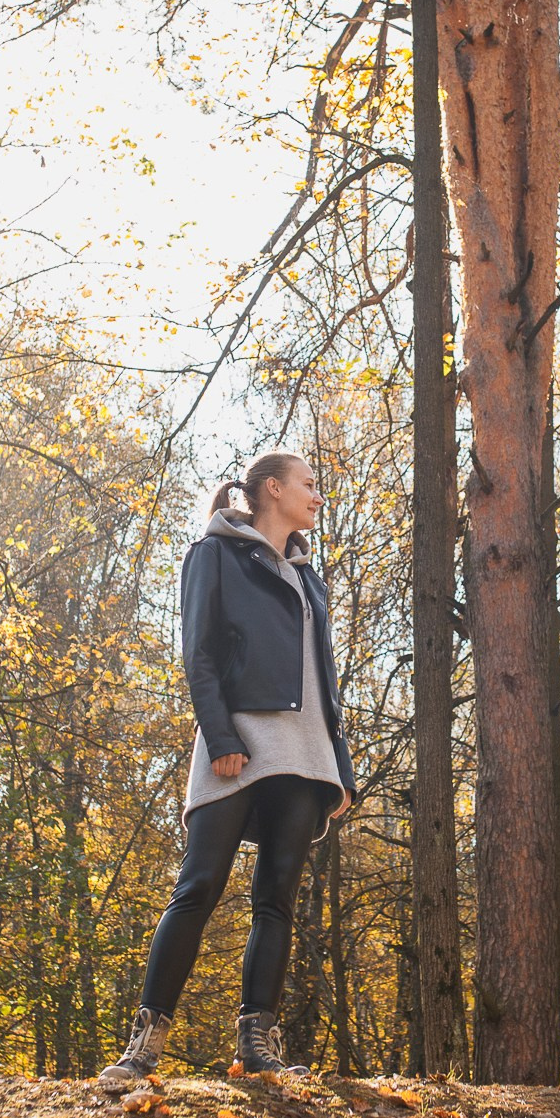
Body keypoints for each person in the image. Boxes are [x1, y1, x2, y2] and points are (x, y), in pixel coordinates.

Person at [99, 450, 355, 1082]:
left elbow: (324, 678)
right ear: (273, 490)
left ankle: (257, 1048)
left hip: (307, 751)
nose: (318, 496)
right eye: (309, 485)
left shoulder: (311, 579)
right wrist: (219, 737)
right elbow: (201, 655)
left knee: (277, 901)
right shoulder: (212, 555)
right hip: (238, 740)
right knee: (200, 886)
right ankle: (143, 1048)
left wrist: (339, 767)